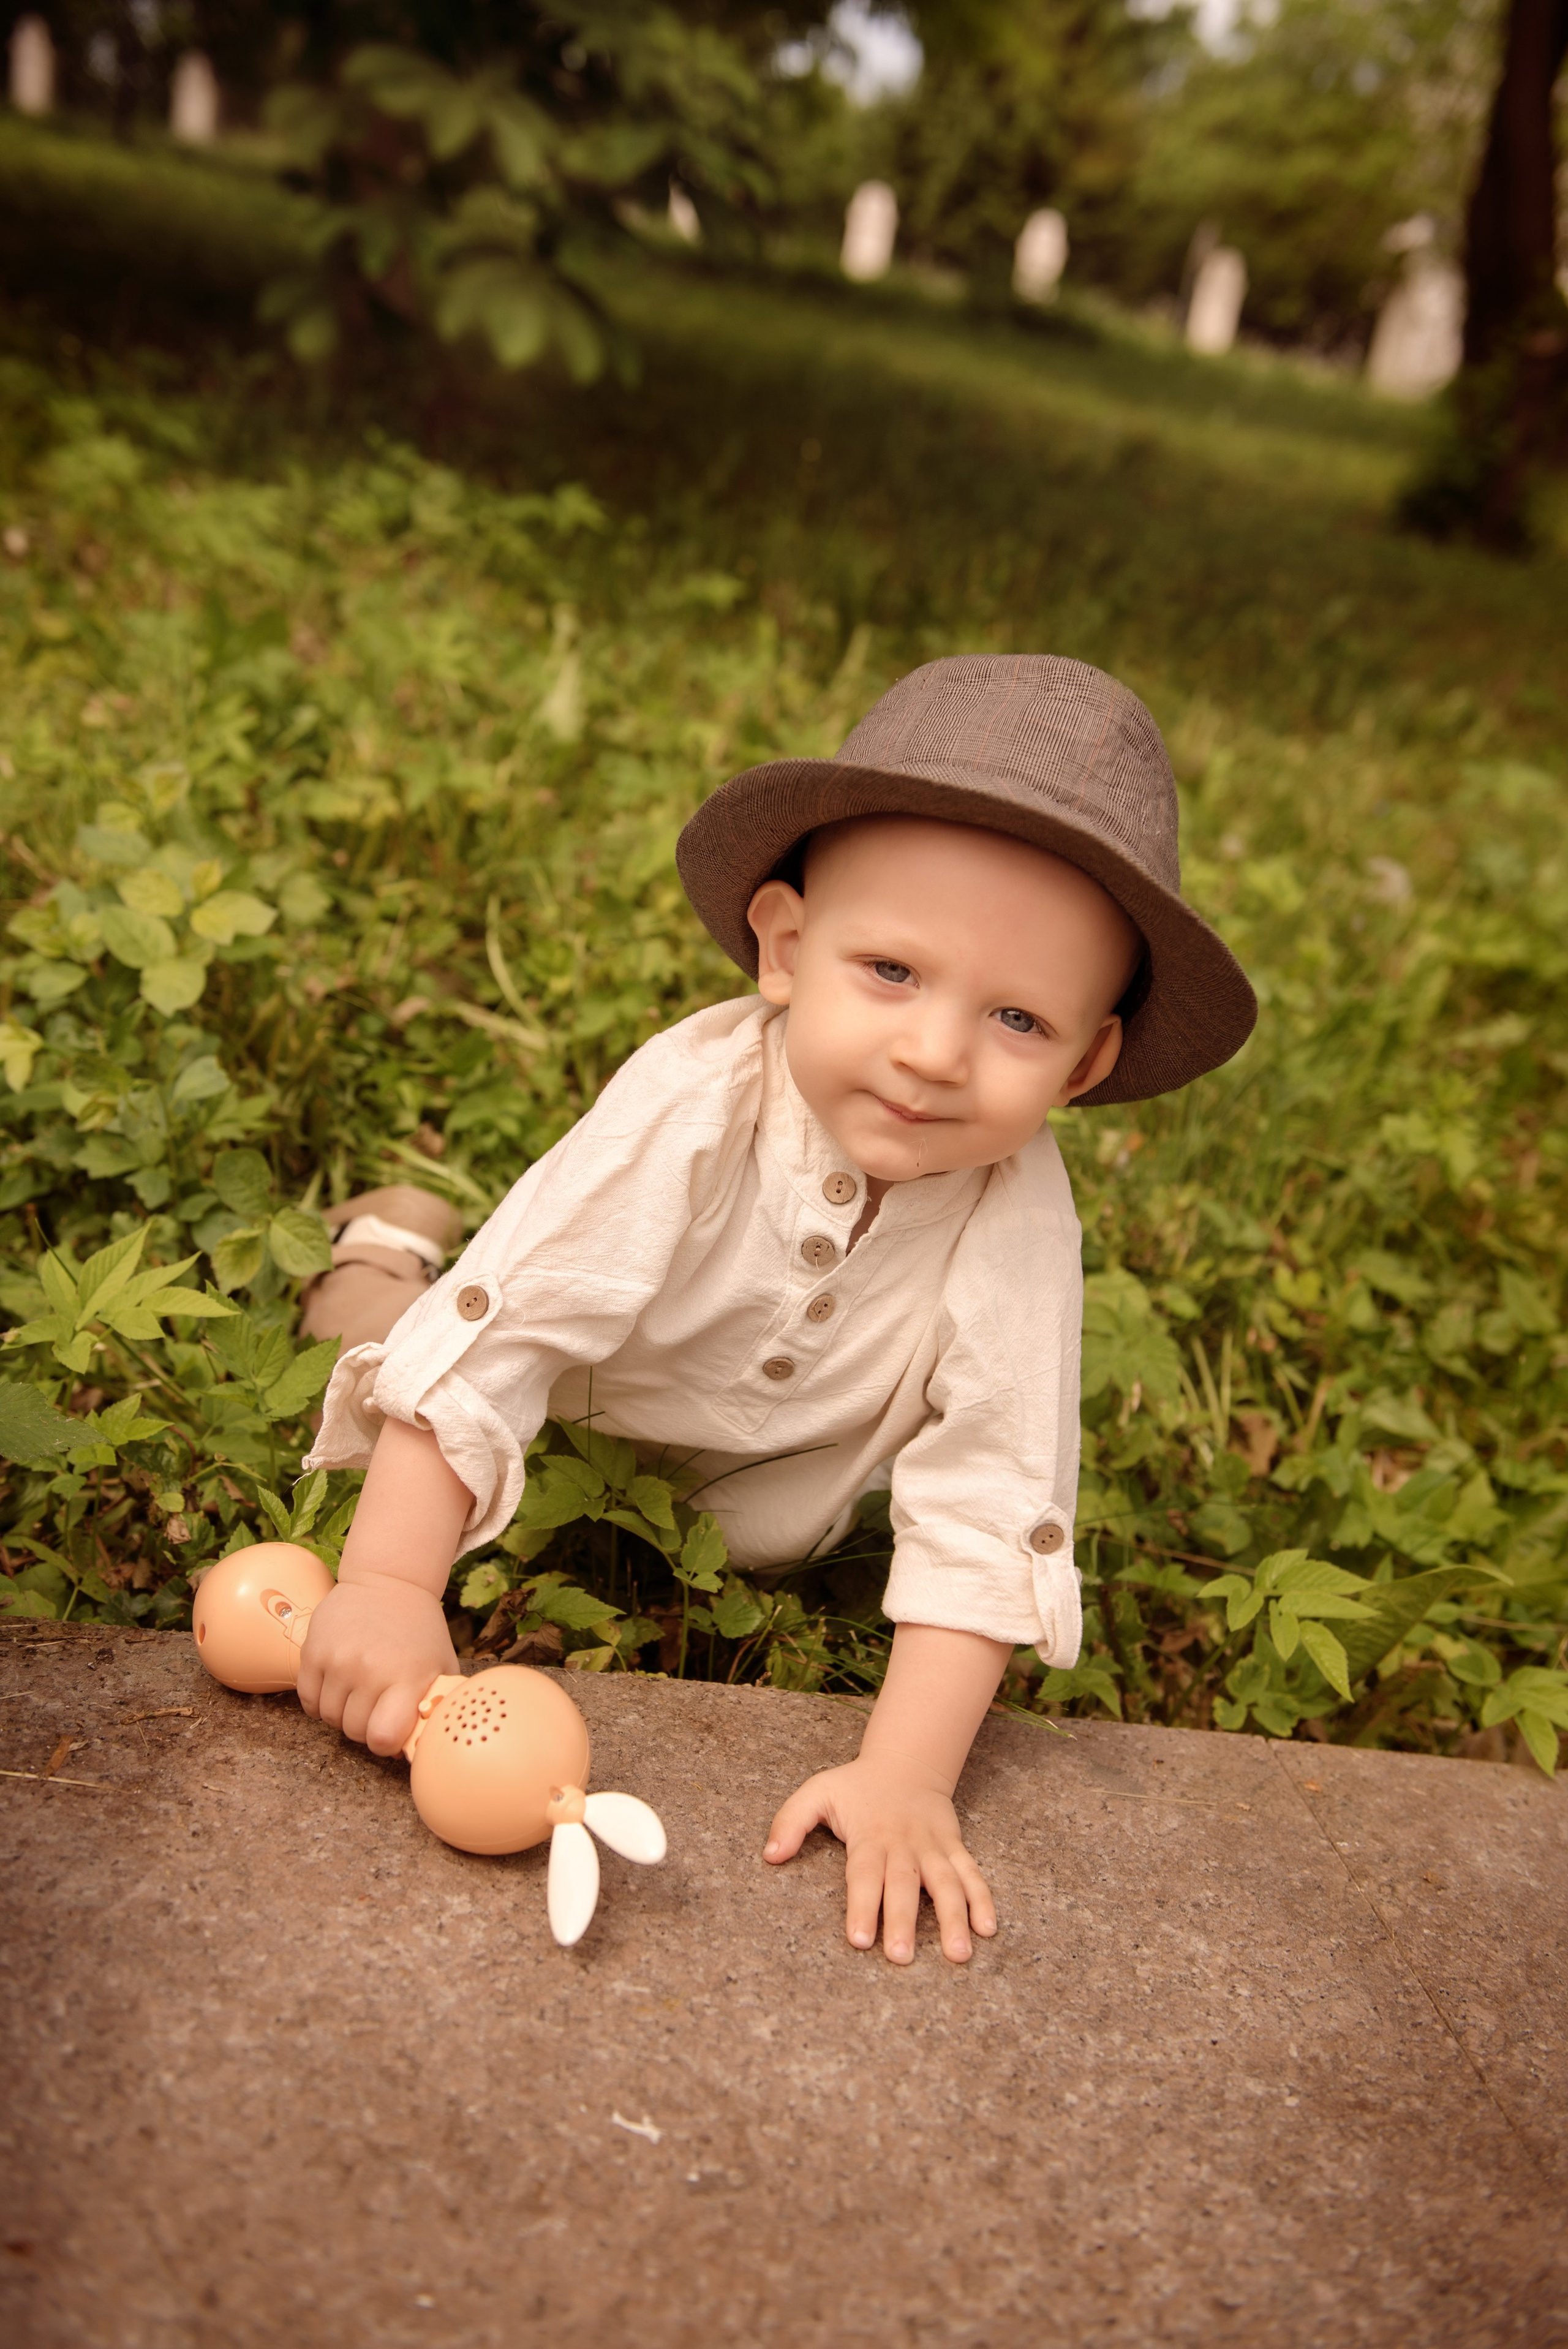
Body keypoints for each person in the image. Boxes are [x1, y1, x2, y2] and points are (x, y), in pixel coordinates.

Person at [301, 655, 1256, 1964]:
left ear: (1086, 1062)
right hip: (577, 1437)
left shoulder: (1016, 1219)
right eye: (891, 972)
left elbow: (988, 1486)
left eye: (1018, 1017)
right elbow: (511, 1324)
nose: (934, 1053)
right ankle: (378, 1243)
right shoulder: (693, 1106)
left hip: (766, 1521)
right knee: (394, 1322)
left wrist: (907, 1779)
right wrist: (391, 1580)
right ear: (786, 949)